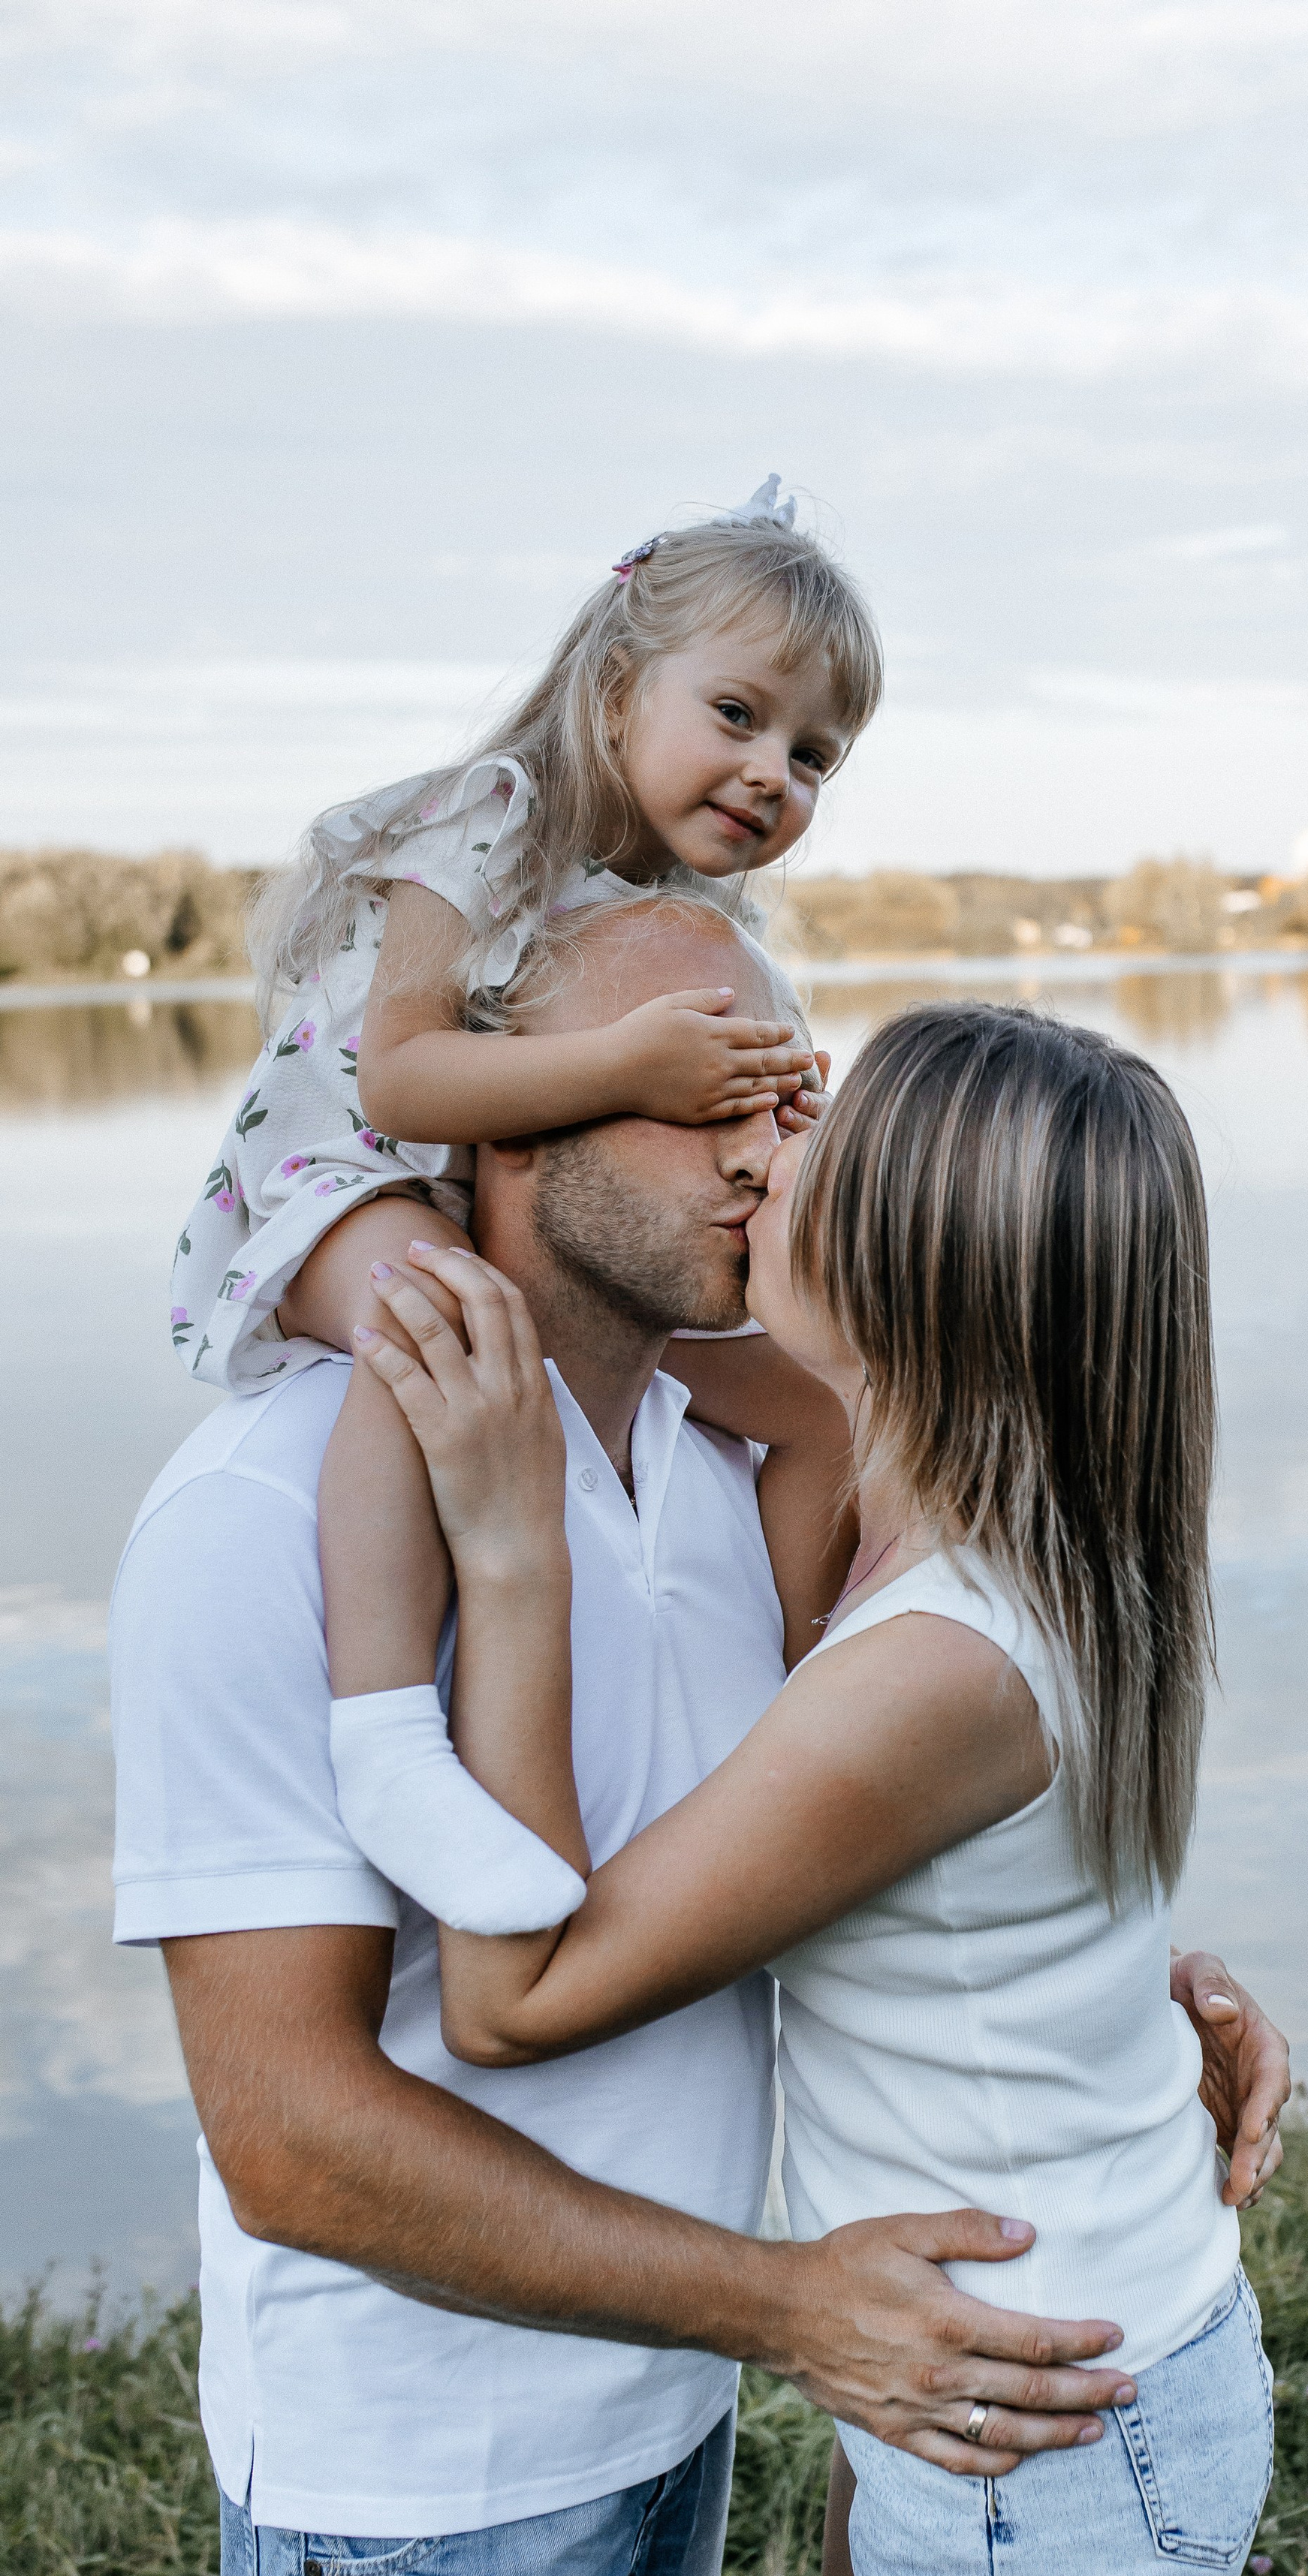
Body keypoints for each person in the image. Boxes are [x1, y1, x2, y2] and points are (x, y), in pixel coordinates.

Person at [113, 906, 1290, 2576]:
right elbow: (296, 2140)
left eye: (791, 1094)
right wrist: (794, 2305)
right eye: (693, 1086)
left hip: (731, 2412)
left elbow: (896, 1809)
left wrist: (1099, 1975)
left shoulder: (748, 1464)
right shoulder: (263, 1519)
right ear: (508, 1121)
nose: (759, 1141)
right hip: (439, 2479)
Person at [170, 479, 876, 1915]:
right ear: (617, 689)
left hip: (504, 1216)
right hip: (349, 1176)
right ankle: (388, 1736)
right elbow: (407, 1081)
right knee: (443, 1318)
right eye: (737, 716)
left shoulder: (688, 913)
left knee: (811, 1395)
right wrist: (627, 1061)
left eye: (814, 757)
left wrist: (772, 1101)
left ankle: (833, 1704)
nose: (770, 776)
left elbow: (694, 1104)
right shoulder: (488, 823)